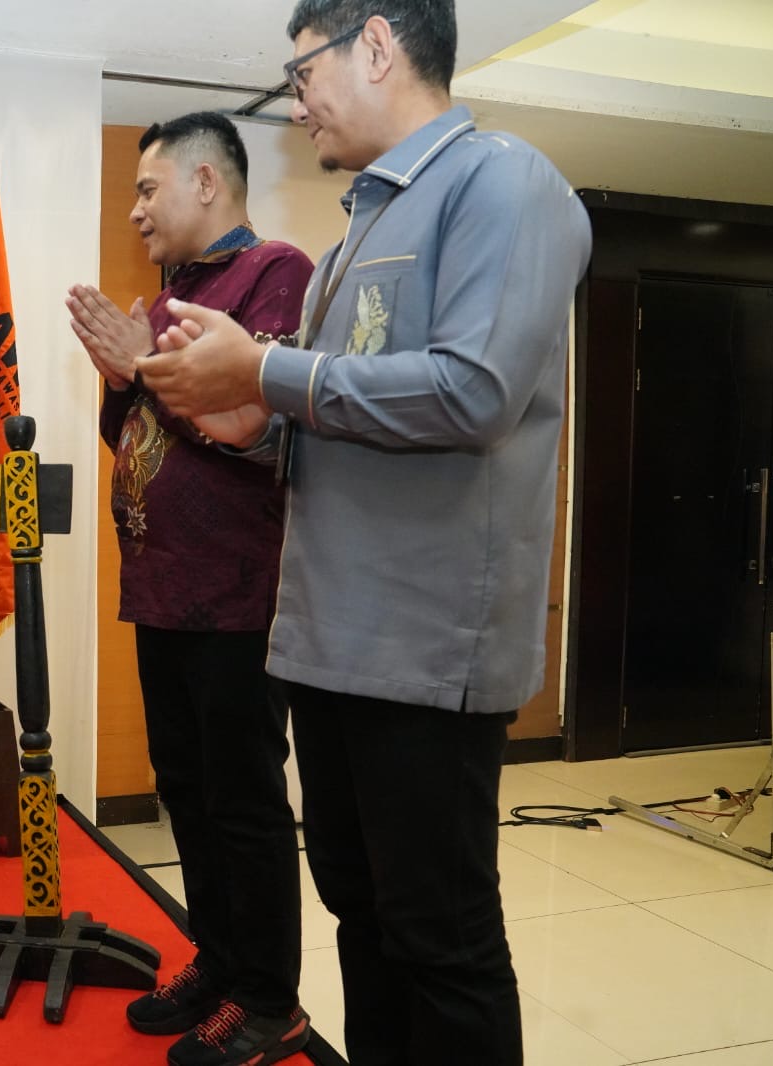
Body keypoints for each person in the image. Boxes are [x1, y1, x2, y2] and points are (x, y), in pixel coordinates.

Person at [137, 3, 593, 1064]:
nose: (295, 104)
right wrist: (241, 411)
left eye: (302, 74)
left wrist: (263, 371)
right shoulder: (357, 234)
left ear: (377, 45)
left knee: (439, 938)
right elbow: (325, 423)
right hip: (329, 644)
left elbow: (472, 395)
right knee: (362, 917)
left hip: (424, 651)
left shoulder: (504, 185)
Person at [66, 112, 314, 1066]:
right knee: (186, 788)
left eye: (147, 188)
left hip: (239, 593)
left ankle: (269, 1001)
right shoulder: (177, 291)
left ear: (208, 182)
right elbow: (142, 439)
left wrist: (146, 368)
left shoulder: (275, 273)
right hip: (163, 586)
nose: (134, 210)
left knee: (243, 798)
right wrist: (124, 380)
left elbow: (254, 423)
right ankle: (219, 960)